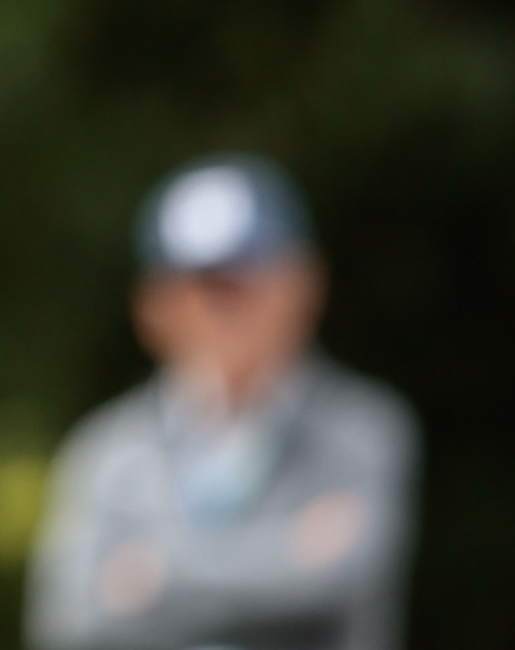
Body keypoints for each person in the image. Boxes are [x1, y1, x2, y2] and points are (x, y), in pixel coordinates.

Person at [28, 157, 418, 650]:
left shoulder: (364, 430)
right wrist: (287, 555)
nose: (227, 305)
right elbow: (72, 619)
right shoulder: (109, 452)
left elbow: (338, 582)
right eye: (204, 285)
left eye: (249, 279)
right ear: (152, 307)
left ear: (307, 285)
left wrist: (152, 574)